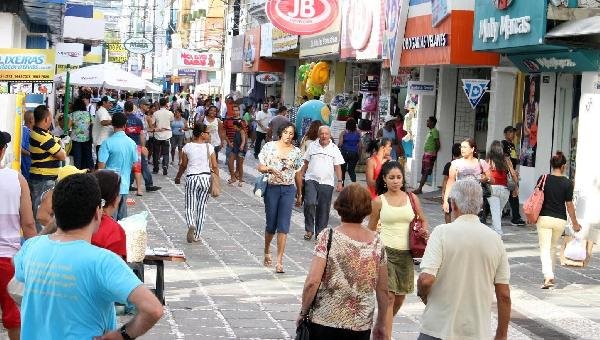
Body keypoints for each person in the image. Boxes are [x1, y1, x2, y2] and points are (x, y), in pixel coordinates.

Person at [14, 174, 164, 339]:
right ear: (97, 212)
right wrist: (120, 336)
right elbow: (153, 309)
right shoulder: (103, 261)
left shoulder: (31, 247)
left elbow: (18, 279)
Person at [417, 179, 511, 340]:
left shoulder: (442, 233)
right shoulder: (494, 239)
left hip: (438, 328)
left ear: (453, 204)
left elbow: (426, 280)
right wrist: (501, 334)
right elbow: (504, 295)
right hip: (477, 332)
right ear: (480, 205)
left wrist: (423, 295)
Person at [298, 184, 388, 340]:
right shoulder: (377, 242)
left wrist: (303, 312)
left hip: (325, 320)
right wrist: (381, 323)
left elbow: (312, 281)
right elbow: (383, 290)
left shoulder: (328, 236)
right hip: (360, 324)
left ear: (339, 206)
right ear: (367, 209)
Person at [368, 161, 428, 339]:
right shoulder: (379, 201)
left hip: (407, 254)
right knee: (389, 298)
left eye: (398, 177)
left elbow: (423, 219)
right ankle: (386, 335)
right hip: (385, 253)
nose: (395, 181)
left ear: (403, 179)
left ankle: (381, 325)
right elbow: (370, 229)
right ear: (384, 180)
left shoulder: (412, 198)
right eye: (391, 177)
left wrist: (424, 231)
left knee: (400, 297)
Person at [0, 130, 36, 340]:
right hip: (9, 259)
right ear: (3, 150)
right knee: (14, 316)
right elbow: (29, 224)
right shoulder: (16, 179)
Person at [257, 122, 303, 273]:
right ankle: (266, 250)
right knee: (271, 224)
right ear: (280, 133)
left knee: (283, 225)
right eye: (285, 132)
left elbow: (297, 173)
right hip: (272, 188)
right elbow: (260, 167)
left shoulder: (296, 152)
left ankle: (279, 261)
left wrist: (299, 192)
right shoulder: (269, 147)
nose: (288, 136)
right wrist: (269, 168)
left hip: (288, 189)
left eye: (291, 133)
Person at [536, 152, 581, 289]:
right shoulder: (567, 183)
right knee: (552, 247)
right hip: (559, 220)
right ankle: (550, 274)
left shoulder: (543, 178)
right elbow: (569, 205)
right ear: (563, 166)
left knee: (545, 247)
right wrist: (575, 223)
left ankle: (548, 275)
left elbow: (536, 197)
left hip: (544, 218)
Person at [175, 124, 219, 243]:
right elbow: (214, 166)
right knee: (202, 207)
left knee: (190, 206)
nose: (208, 135)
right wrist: (217, 180)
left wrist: (178, 177)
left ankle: (191, 224)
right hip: (205, 178)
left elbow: (183, 165)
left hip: (192, 178)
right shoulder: (209, 147)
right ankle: (197, 235)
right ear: (201, 134)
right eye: (207, 132)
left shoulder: (187, 147)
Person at [298, 126, 344, 240]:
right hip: (311, 179)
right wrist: (301, 174)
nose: (324, 136)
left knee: (323, 208)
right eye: (322, 133)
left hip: (327, 182)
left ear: (329, 135)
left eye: (326, 134)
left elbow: (337, 166)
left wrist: (339, 182)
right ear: (319, 134)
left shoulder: (334, 148)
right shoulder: (312, 146)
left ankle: (320, 233)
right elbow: (306, 162)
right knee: (309, 202)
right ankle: (309, 229)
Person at [29, 105, 66, 232]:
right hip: (43, 180)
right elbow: (62, 155)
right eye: (51, 118)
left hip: (46, 179)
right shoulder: (40, 136)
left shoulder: (44, 134)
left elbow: (58, 142)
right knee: (41, 215)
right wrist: (59, 146)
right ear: (46, 119)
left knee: (46, 211)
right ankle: (42, 239)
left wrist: (58, 145)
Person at [98, 112, 138, 220]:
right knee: (122, 220)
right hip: (124, 185)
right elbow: (135, 163)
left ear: (112, 125)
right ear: (125, 125)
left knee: (109, 219)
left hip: (109, 186)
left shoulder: (107, 143)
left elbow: (101, 167)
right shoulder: (131, 143)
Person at [442, 138, 491, 216]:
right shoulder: (455, 163)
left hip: (475, 198)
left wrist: (485, 178)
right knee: (459, 220)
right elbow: (450, 181)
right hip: (459, 197)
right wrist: (446, 200)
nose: (462, 149)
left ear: (472, 149)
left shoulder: (481, 163)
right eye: (461, 147)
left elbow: (491, 179)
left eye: (465, 147)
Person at [37, 165, 88, 235]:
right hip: (52, 239)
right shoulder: (52, 195)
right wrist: (62, 230)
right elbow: (42, 217)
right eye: (77, 178)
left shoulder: (68, 193)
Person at [124, 101, 161, 196]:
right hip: (136, 146)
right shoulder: (138, 120)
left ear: (124, 109)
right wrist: (143, 146)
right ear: (132, 109)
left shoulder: (123, 119)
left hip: (125, 147)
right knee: (142, 165)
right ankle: (148, 184)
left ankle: (128, 184)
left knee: (128, 165)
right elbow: (141, 135)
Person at [92, 170, 127, 259]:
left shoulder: (80, 220)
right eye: (118, 194)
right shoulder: (114, 230)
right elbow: (116, 268)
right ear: (115, 199)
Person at [486, 140, 518, 235]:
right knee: (498, 211)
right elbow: (513, 174)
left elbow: (486, 174)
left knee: (496, 211)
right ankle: (494, 228)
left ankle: (498, 232)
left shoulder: (489, 160)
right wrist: (516, 187)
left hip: (493, 189)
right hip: (505, 190)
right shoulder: (506, 160)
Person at [502, 126, 526, 226]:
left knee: (513, 195)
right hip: (507, 173)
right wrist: (510, 171)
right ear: (506, 133)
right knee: (512, 194)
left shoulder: (512, 145)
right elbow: (506, 159)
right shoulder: (503, 144)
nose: (513, 134)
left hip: (512, 173)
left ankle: (516, 217)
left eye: (513, 133)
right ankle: (515, 217)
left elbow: (513, 159)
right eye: (511, 132)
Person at [414, 116, 440, 195]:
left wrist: (434, 152)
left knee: (425, 172)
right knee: (424, 171)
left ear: (432, 123)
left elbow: (437, 143)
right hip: (426, 154)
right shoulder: (430, 131)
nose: (427, 123)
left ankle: (420, 188)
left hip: (430, 154)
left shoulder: (434, 131)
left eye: (428, 121)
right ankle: (420, 188)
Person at [69, 97, 94, 170]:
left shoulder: (72, 114)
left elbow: (68, 127)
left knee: (77, 158)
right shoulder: (88, 114)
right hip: (87, 139)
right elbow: (93, 124)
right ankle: (92, 173)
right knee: (88, 157)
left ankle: (77, 174)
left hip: (76, 139)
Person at [152, 97, 174, 175]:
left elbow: (153, 124)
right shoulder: (170, 113)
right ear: (166, 104)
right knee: (166, 152)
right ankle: (165, 165)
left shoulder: (155, 113)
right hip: (167, 135)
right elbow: (171, 122)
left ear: (159, 104)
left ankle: (156, 168)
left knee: (156, 153)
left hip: (157, 135)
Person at [441, 143, 461, 223]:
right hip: (459, 191)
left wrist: (443, 192)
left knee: (447, 211)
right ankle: (456, 228)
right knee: (458, 212)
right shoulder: (463, 165)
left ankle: (448, 226)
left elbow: (445, 180)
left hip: (449, 191)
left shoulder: (448, 164)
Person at [338, 118, 361, 184]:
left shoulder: (343, 133)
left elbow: (340, 144)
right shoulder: (358, 133)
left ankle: (341, 185)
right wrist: (359, 155)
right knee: (351, 170)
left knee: (342, 170)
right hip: (354, 153)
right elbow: (360, 146)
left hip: (344, 153)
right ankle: (354, 184)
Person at [227, 120, 247, 186]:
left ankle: (240, 180)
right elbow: (235, 139)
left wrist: (242, 145)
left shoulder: (242, 131)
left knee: (239, 165)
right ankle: (233, 177)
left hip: (241, 150)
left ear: (237, 125)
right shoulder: (236, 131)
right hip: (235, 148)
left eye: (234, 125)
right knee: (230, 161)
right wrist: (232, 143)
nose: (233, 127)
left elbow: (243, 140)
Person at [20, 110, 34, 180]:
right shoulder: (24, 130)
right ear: (31, 120)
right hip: (26, 167)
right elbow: (20, 148)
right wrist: (30, 154)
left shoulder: (29, 131)